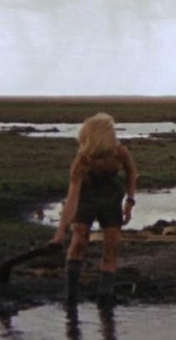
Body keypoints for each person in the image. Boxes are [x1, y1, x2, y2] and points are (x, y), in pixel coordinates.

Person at [50, 113, 139, 303]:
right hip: (87, 196)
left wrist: (129, 202)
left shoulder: (119, 151)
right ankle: (71, 296)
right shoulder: (82, 160)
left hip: (111, 196)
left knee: (111, 245)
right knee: (79, 239)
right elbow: (72, 197)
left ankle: (105, 295)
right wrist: (60, 233)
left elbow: (132, 173)